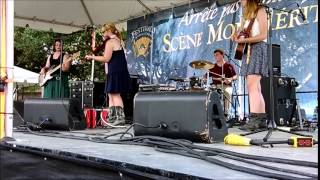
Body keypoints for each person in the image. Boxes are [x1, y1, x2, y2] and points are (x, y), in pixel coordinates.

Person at [231, 0, 269, 131]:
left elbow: (264, 35)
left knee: (252, 85)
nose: (241, 0)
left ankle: (254, 118)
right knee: (256, 86)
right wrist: (236, 36)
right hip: (248, 50)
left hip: (258, 48)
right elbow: (243, 33)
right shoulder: (246, 15)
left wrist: (244, 40)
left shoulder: (261, 11)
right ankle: (262, 119)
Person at [85, 23, 130, 126]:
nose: (103, 34)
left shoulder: (111, 42)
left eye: (104, 31)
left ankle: (119, 117)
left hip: (115, 71)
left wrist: (92, 57)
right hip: (117, 70)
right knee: (111, 94)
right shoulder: (119, 40)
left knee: (115, 94)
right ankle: (112, 116)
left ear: (109, 31)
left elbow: (106, 58)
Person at [207, 49, 237, 119]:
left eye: (217, 55)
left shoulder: (229, 65)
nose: (215, 57)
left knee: (227, 92)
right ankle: (213, 114)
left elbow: (235, 76)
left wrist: (230, 79)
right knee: (210, 93)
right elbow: (206, 76)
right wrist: (205, 78)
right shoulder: (212, 67)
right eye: (214, 55)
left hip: (227, 86)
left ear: (222, 55)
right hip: (215, 86)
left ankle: (226, 113)